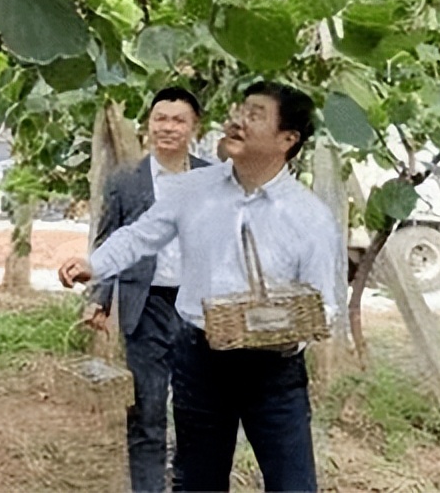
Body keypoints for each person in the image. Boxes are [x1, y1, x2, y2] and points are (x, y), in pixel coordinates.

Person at [59, 82, 341, 492]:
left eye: (256, 115)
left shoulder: (310, 217)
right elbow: (139, 236)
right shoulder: (193, 190)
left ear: (287, 139)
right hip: (199, 361)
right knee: (197, 482)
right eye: (240, 110)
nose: (238, 120)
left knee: (292, 484)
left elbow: (323, 306)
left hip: (274, 372)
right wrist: (94, 265)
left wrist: (278, 335)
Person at [73, 87, 209, 492]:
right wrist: (98, 299)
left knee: (197, 411)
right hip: (144, 305)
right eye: (160, 119)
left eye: (178, 120)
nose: (168, 127)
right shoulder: (127, 181)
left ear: (193, 127)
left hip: (198, 310)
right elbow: (109, 241)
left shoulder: (212, 180)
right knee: (147, 409)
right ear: (149, 124)